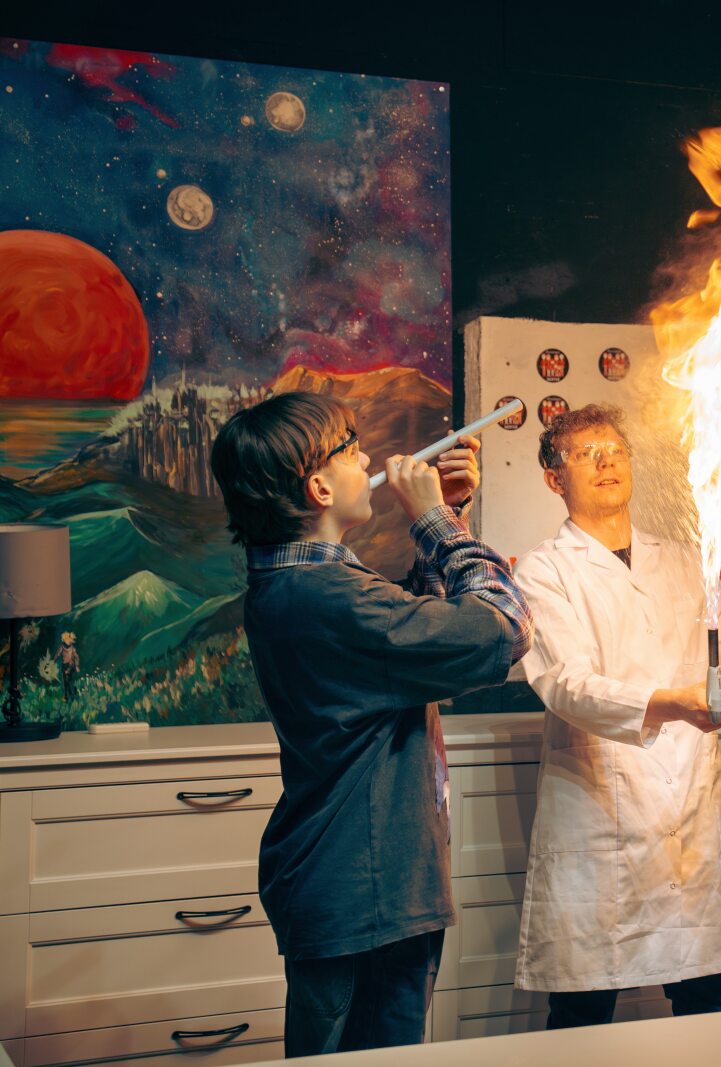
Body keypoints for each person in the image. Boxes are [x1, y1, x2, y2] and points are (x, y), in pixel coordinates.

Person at [209, 391, 532, 1056]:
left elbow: (405, 641)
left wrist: (449, 515)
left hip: (350, 886)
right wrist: (437, 524)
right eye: (350, 449)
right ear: (319, 487)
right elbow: (504, 630)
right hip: (369, 894)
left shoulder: (296, 584)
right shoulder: (330, 597)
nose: (367, 460)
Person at [512, 403, 721, 1028]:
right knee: (582, 1020)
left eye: (615, 449)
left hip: (691, 811)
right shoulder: (543, 569)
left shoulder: (685, 561)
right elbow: (567, 685)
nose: (605, 461)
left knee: (710, 1008)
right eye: (585, 454)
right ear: (555, 479)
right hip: (599, 817)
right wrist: (673, 703)